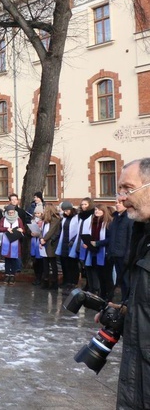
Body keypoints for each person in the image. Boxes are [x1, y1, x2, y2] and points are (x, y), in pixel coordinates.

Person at [113, 158, 150, 408]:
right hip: (137, 382)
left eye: (128, 188)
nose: (122, 198)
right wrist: (128, 312)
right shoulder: (143, 235)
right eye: (120, 190)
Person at [83, 204, 112, 299]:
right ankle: (101, 294)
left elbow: (110, 239)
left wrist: (97, 243)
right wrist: (88, 243)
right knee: (98, 274)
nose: (97, 212)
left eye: (99, 210)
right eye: (95, 210)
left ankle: (108, 295)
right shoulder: (93, 222)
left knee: (106, 276)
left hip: (105, 253)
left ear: (104, 211)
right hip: (94, 252)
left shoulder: (108, 223)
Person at [107, 199, 133, 302]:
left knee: (126, 280)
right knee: (120, 279)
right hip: (115, 253)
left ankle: (127, 301)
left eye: (120, 203)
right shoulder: (116, 218)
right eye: (116, 203)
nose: (117, 205)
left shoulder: (129, 218)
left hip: (124, 255)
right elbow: (112, 237)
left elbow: (130, 238)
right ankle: (124, 299)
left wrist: (128, 255)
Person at [0, 204, 25, 285]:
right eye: (9, 212)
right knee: (7, 258)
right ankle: (7, 274)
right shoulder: (3, 219)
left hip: (15, 241)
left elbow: (23, 229)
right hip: (6, 240)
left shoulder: (18, 219)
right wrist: (6, 229)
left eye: (12, 212)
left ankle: (12, 275)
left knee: (13, 258)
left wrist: (21, 230)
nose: (11, 214)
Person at [56, 201, 80, 290]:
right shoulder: (64, 218)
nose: (66, 212)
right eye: (64, 211)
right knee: (64, 263)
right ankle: (66, 281)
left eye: (67, 210)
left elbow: (78, 231)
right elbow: (61, 230)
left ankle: (73, 282)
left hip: (72, 244)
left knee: (72, 264)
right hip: (64, 243)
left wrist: (73, 240)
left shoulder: (77, 217)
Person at [39, 204, 62, 289]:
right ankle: (45, 280)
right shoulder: (45, 220)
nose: (44, 210)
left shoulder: (55, 220)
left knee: (53, 263)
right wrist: (41, 238)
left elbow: (51, 231)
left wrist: (44, 239)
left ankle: (54, 281)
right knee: (45, 263)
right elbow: (41, 230)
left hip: (51, 244)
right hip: (44, 243)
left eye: (45, 209)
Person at [29, 204, 45, 286]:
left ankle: (40, 277)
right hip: (33, 242)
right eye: (36, 213)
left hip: (40, 242)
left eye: (39, 213)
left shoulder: (43, 222)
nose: (37, 215)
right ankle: (36, 276)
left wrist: (38, 234)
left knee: (40, 261)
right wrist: (31, 233)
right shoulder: (33, 221)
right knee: (35, 261)